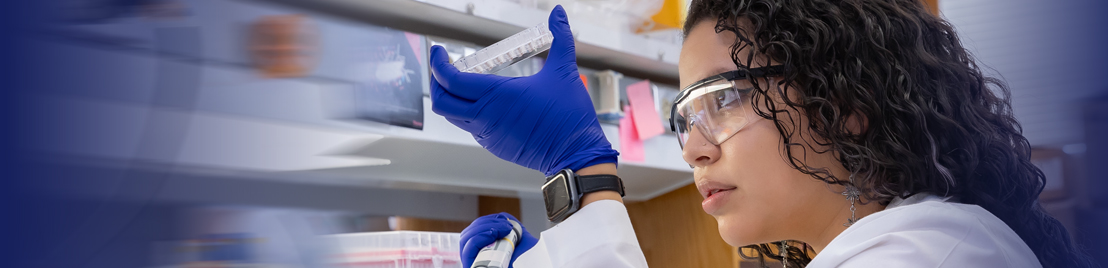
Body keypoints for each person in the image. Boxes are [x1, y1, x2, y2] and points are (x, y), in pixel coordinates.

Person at [428, 1, 1096, 267]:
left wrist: (583, 177)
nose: (694, 146)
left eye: (726, 96)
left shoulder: (929, 255)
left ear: (851, 100)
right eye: (687, 113)